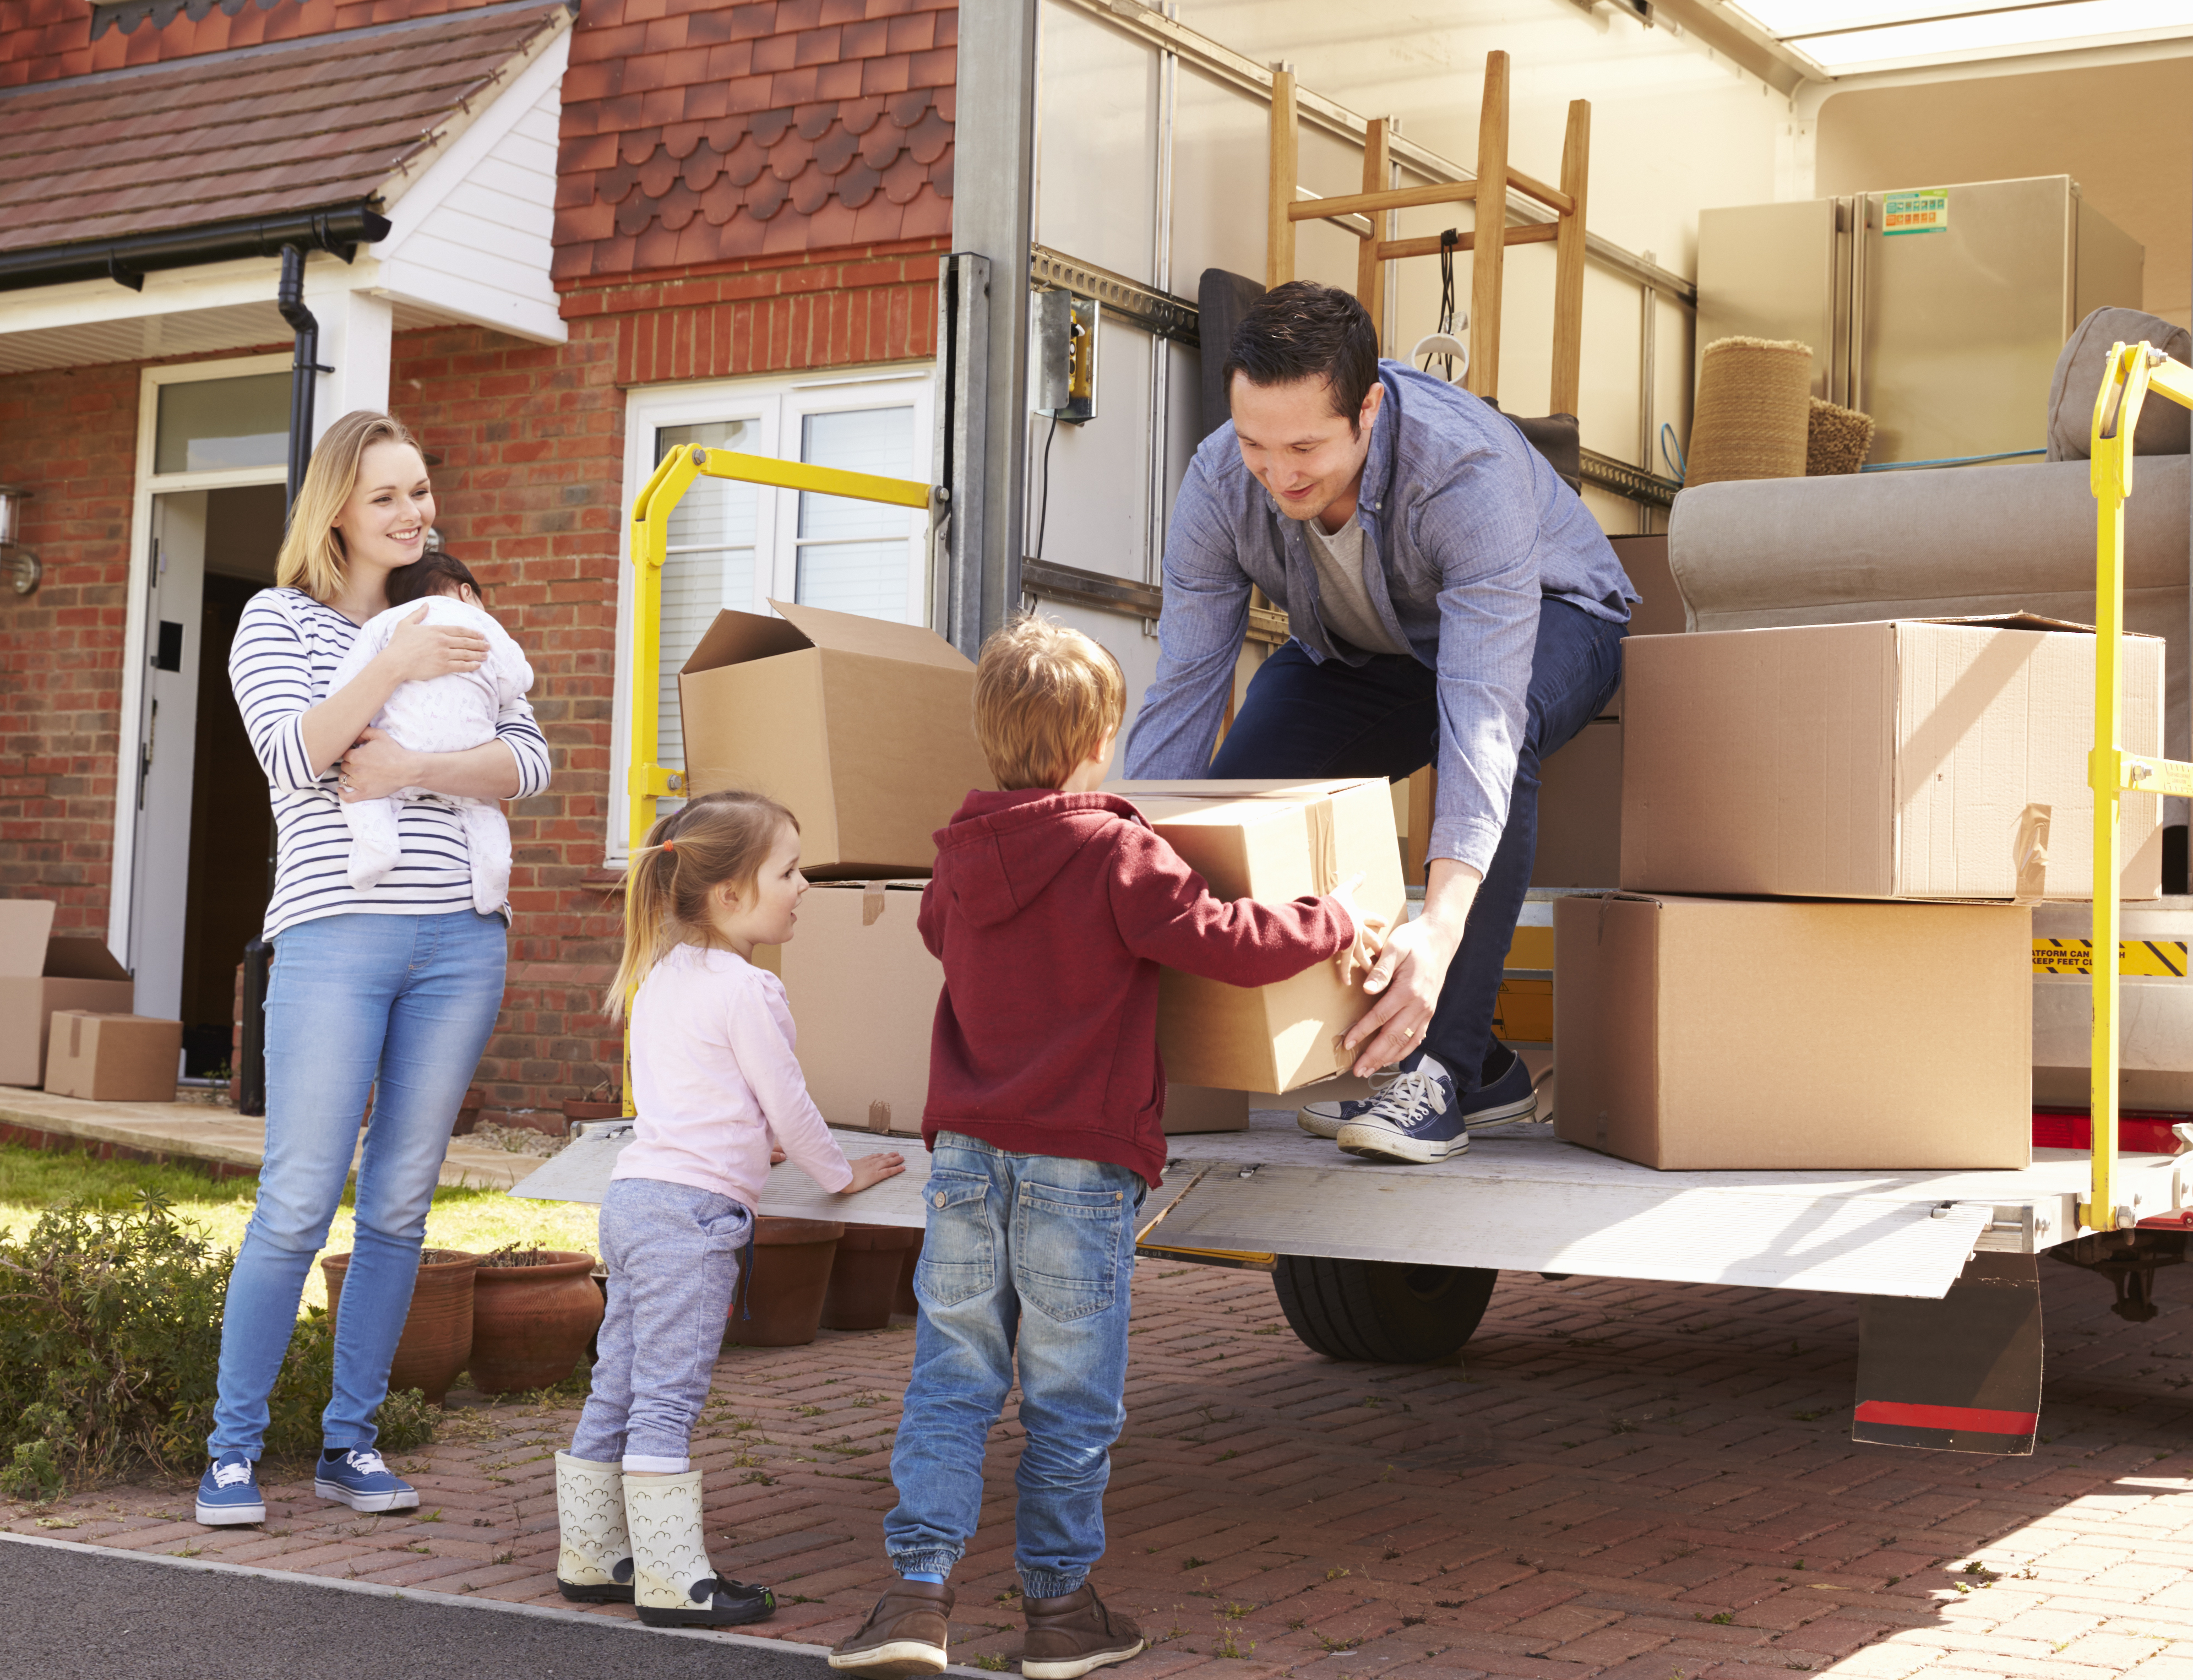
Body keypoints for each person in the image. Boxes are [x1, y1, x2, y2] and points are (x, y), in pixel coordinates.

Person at [830, 616, 1373, 1680]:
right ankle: (1061, 1613)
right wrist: (1335, 917)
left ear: (990, 737)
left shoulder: (960, 857)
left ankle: (915, 1598)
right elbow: (1224, 943)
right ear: (1100, 740)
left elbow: (939, 931)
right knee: (1069, 1398)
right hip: (1079, 1165)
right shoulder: (1118, 850)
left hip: (966, 1161)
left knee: (951, 1378)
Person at [1123, 281, 1633, 1166]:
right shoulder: (1216, 479)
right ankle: (1478, 1065)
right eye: (1254, 444)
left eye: (1305, 448)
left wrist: (1434, 932)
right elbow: (1184, 690)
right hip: (1369, 652)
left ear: (1367, 408)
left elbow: (1479, 720)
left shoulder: (1463, 472)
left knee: (1495, 751)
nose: (1278, 473)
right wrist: (1115, 862)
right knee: (1237, 794)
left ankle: (1440, 1068)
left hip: (1555, 621)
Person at [197, 411, 550, 1529]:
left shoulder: (453, 612)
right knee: (297, 1199)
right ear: (337, 509)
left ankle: (350, 1442)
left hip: (461, 943)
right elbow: (297, 759)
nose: (416, 512)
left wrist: (412, 762)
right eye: (391, 495)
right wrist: (392, 662)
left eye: (423, 491)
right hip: (334, 937)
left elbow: (527, 757)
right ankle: (232, 1453)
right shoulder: (277, 621)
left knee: (399, 1201)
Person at [554, 792, 906, 1627]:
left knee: (620, 1382)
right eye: (788, 871)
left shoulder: (659, 976)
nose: (803, 887)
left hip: (635, 1201)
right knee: (669, 1398)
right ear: (728, 895)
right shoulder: (748, 991)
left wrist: (750, 1142)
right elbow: (790, 1105)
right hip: (693, 1222)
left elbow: (696, 1099)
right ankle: (674, 1581)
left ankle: (592, 1554)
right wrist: (838, 1174)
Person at [326, 547, 532, 899]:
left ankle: (378, 848)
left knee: (357, 792)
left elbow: (343, 687)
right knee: (483, 812)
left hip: (397, 746)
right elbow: (518, 681)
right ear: (467, 592)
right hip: (468, 758)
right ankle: (495, 874)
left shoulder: (384, 624)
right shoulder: (485, 625)